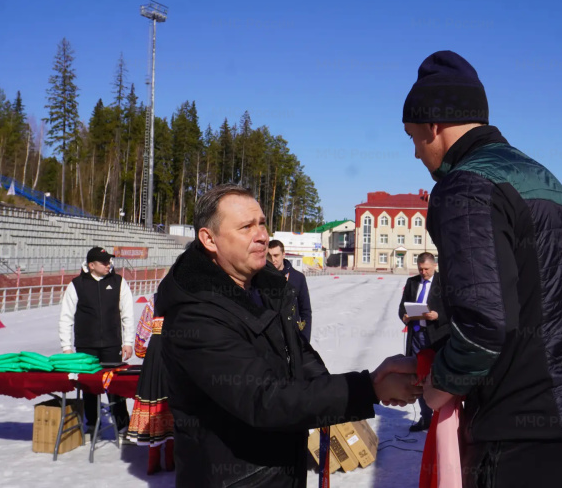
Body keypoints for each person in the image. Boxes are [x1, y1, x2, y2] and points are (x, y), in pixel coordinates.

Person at [402, 50, 562, 488]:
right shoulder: (541, 176)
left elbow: (484, 325)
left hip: (526, 434)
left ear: (433, 125)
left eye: (412, 138)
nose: (415, 153)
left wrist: (438, 386)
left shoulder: (465, 185)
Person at [159, 184, 421, 488]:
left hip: (282, 468)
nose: (261, 235)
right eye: (246, 227)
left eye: (261, 223)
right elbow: (265, 400)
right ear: (209, 239)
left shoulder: (266, 287)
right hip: (234, 479)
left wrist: (361, 387)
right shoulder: (197, 315)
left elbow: (299, 357)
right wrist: (367, 389)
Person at [58, 246, 134, 437]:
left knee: (115, 386)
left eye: (109, 261)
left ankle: (123, 424)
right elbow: (66, 317)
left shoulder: (119, 282)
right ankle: (92, 424)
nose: (109, 265)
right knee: (89, 387)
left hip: (112, 344)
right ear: (91, 265)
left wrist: (128, 342)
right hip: (86, 345)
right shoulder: (76, 285)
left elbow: (128, 314)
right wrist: (66, 347)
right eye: (104, 262)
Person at [398, 252, 449, 432]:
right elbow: (402, 307)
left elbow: (454, 310)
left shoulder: (444, 282)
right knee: (419, 378)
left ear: (434, 266)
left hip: (437, 339)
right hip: (417, 338)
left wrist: (438, 316)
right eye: (420, 269)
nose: (423, 272)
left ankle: (442, 421)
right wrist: (404, 317)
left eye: (426, 269)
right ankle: (425, 417)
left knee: (438, 379)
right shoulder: (412, 283)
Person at [127, 296, 175, 475]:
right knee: (172, 403)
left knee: (155, 401)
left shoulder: (154, 300)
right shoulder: (187, 299)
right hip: (177, 351)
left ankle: (153, 458)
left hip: (156, 353)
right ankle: (170, 458)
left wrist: (143, 352)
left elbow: (142, 333)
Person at [268, 239, 313, 342]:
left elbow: (305, 311)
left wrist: (304, 339)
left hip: (292, 338)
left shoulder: (298, 278)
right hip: (271, 341)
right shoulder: (262, 277)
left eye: (276, 255)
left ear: (283, 254)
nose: (273, 259)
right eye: (270, 256)